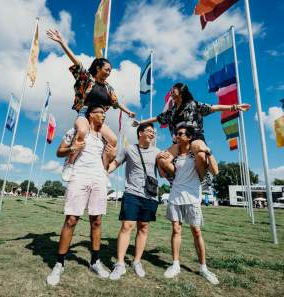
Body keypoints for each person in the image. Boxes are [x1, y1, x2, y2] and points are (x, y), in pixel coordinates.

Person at [46, 105, 116, 286]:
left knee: (97, 221)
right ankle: (59, 263)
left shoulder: (104, 137)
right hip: (79, 176)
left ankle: (95, 262)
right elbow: (58, 152)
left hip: (99, 177)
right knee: (71, 220)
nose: (103, 116)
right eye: (100, 112)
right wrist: (72, 148)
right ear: (91, 115)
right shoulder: (76, 131)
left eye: (105, 113)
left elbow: (106, 164)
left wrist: (109, 156)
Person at [46, 29, 135, 167]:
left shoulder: (108, 88)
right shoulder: (87, 79)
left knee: (112, 140)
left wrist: (128, 111)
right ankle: (70, 162)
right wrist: (62, 43)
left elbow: (116, 102)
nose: (109, 73)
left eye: (110, 71)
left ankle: (103, 168)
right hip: (85, 113)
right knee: (82, 131)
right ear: (98, 68)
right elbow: (77, 63)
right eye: (107, 69)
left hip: (99, 118)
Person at [133, 83, 250, 180]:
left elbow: (214, 107)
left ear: (181, 92)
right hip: (179, 142)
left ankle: (202, 178)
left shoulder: (193, 105)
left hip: (195, 137)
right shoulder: (171, 111)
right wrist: (141, 122)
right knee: (162, 160)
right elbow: (157, 118)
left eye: (174, 91)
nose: (171, 93)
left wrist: (234, 107)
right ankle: (177, 178)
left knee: (200, 152)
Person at [157, 124, 219, 285]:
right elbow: (163, 173)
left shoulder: (196, 155)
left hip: (192, 197)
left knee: (196, 231)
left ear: (189, 137)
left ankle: (203, 268)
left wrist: (208, 151)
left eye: (180, 133)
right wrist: (160, 159)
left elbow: (215, 171)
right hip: (176, 195)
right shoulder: (175, 156)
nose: (176, 136)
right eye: (176, 133)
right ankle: (175, 264)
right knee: (176, 230)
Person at [107, 123, 160, 280]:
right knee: (127, 226)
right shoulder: (129, 149)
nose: (152, 134)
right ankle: (120, 264)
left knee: (143, 227)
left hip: (150, 196)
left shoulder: (157, 152)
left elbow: (164, 170)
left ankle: (137, 261)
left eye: (153, 132)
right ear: (140, 133)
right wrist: (103, 170)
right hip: (132, 193)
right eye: (149, 131)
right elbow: (115, 163)